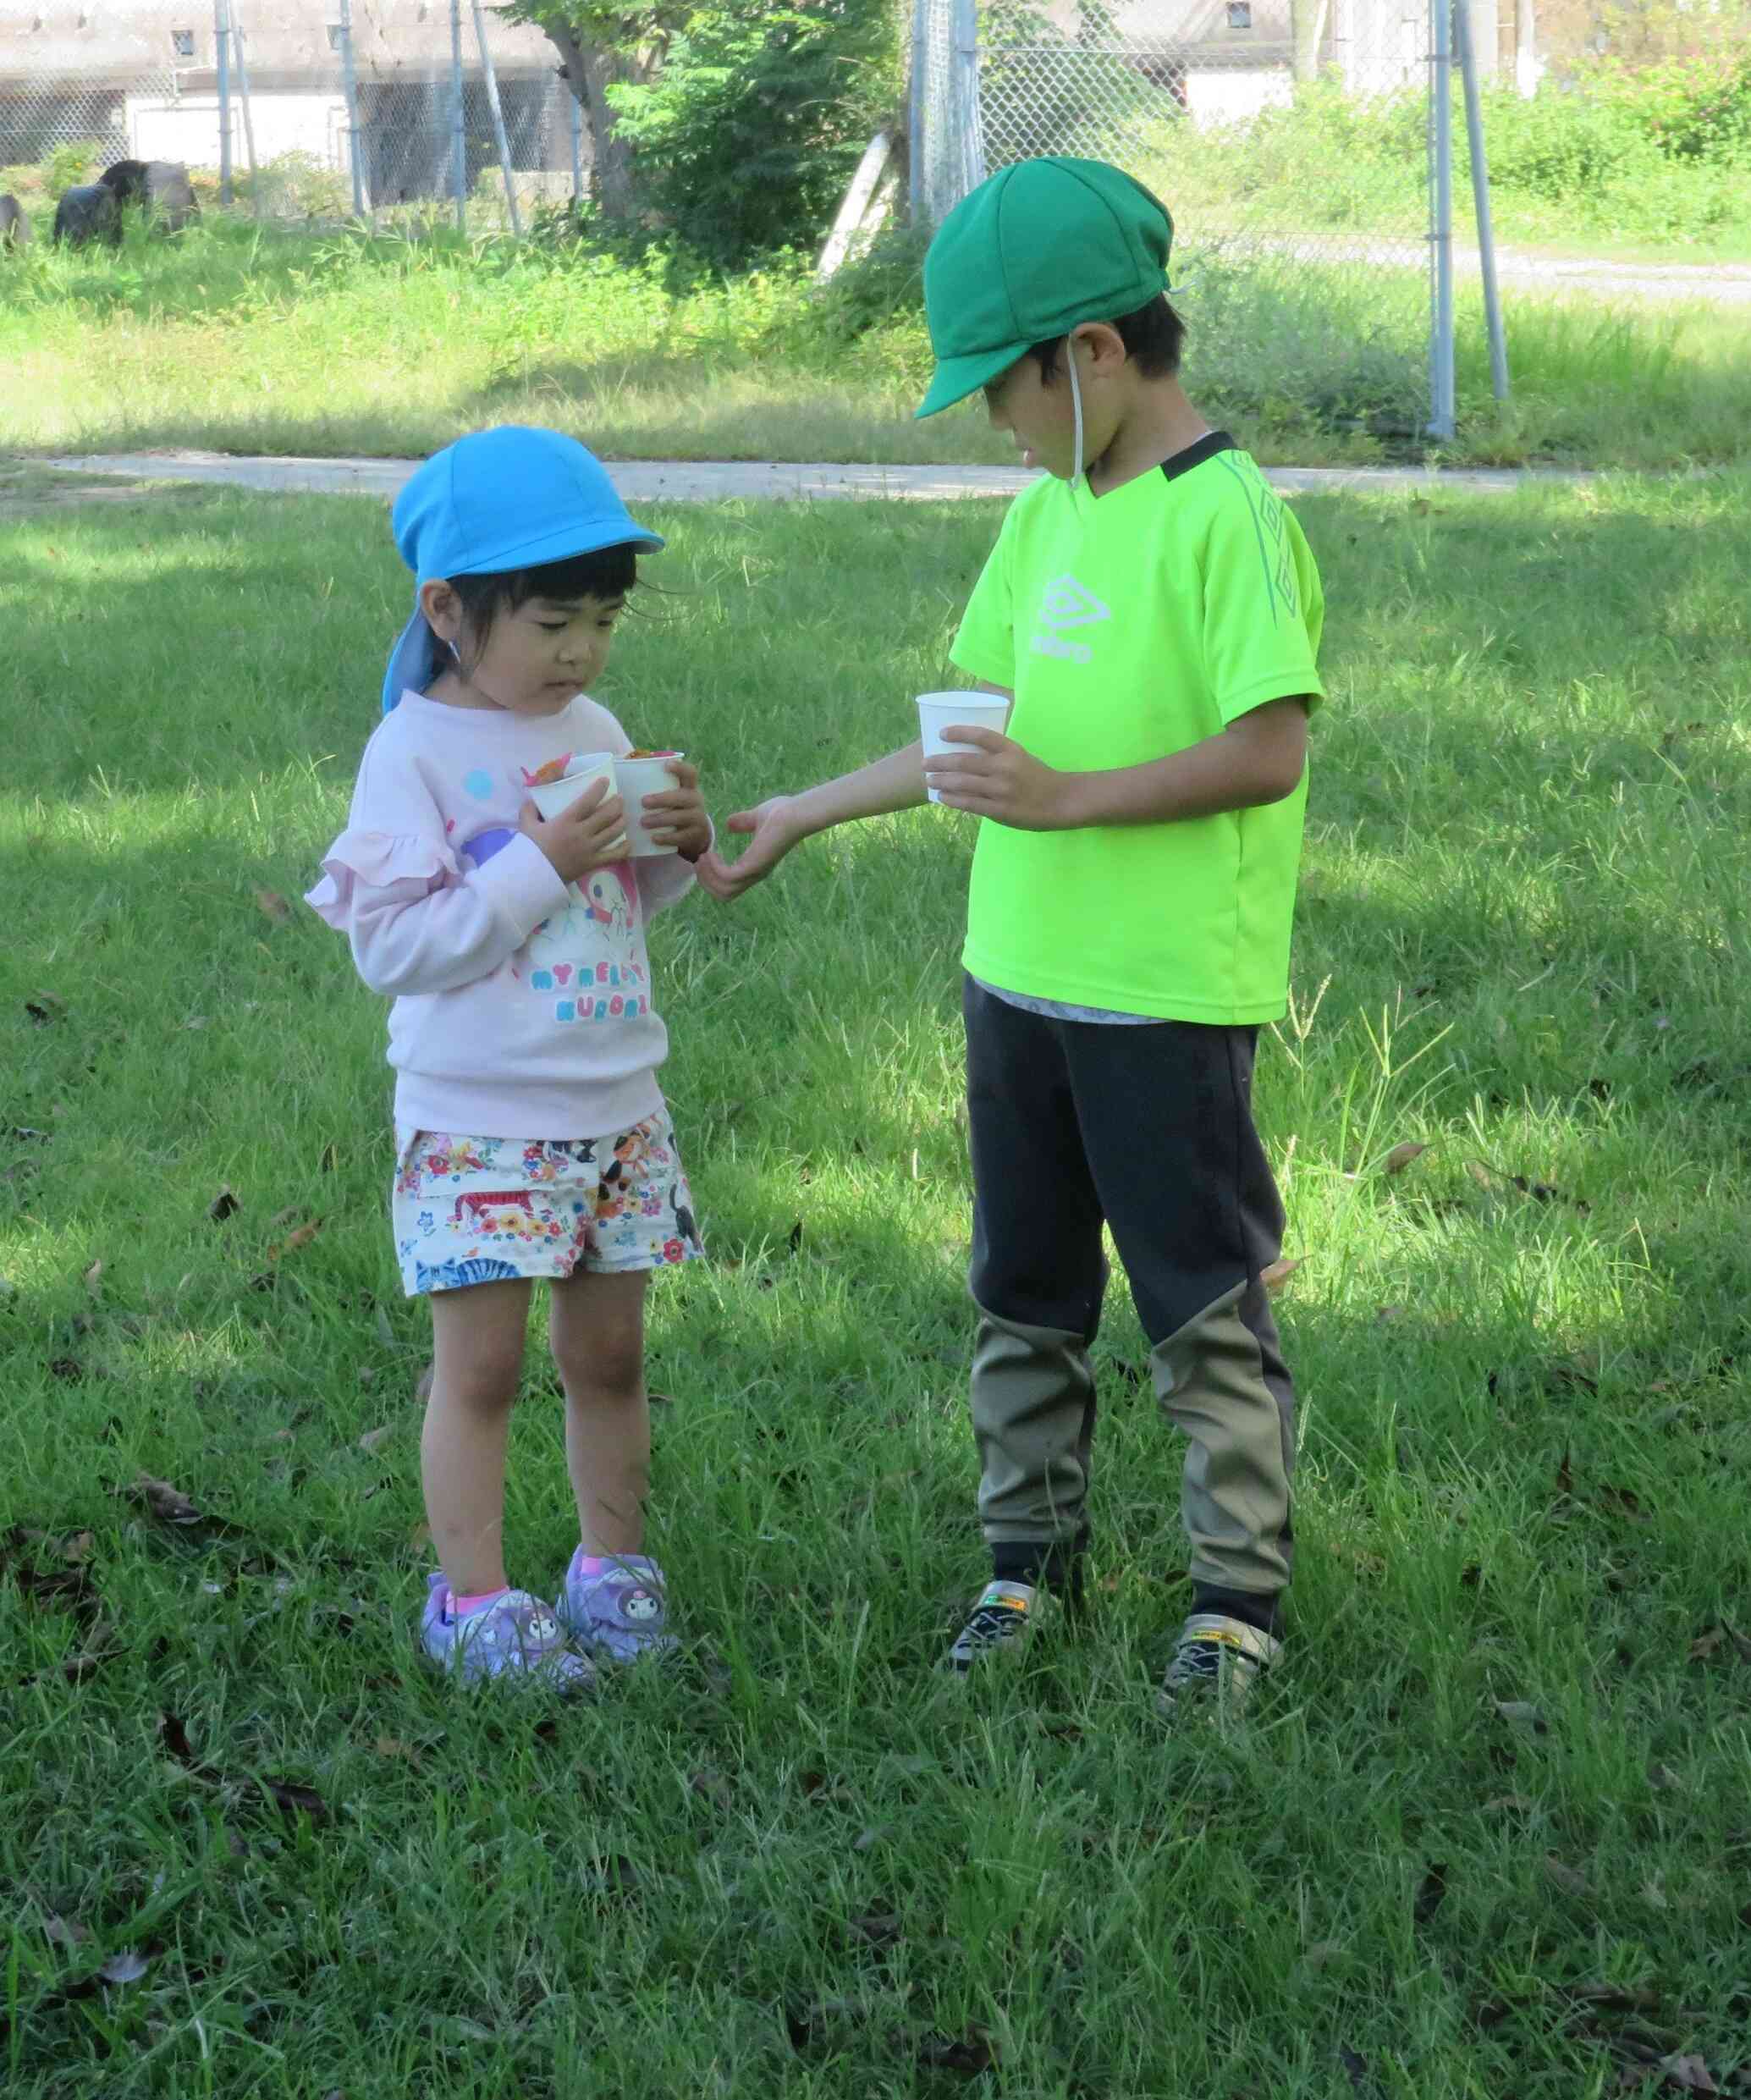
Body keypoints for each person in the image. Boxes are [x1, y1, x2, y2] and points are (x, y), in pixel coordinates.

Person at [699, 158, 1324, 1716]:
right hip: (1018, 989)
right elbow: (970, 740)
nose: (996, 422)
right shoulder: (1050, 512)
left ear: (1094, 353)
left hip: (1163, 1000)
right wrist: (800, 807)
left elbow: (1270, 748)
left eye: (1005, 386)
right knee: (1022, 1285)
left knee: (1198, 1299)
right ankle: (1022, 1562)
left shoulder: (1222, 517)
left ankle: (1233, 1599)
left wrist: (1066, 801)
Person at [306, 426, 711, 1690]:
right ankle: (472, 1599)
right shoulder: (411, 753)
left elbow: (612, 909)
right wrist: (540, 856)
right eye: (550, 621)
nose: (581, 650)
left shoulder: (587, 718)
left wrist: (666, 847)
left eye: (601, 619)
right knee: (480, 1368)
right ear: (450, 609)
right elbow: (399, 947)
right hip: (480, 1116)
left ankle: (611, 1565)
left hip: (614, 1105)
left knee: (611, 1357)